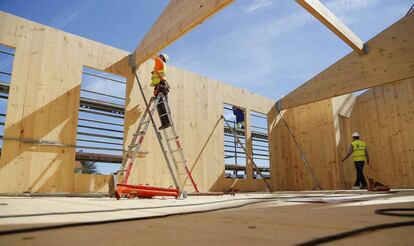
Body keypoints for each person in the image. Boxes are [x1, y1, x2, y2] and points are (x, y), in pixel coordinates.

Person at [151, 53, 171, 130]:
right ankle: (164, 123)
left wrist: (150, 53)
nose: (158, 56)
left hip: (162, 85)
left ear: (162, 58)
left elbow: (154, 57)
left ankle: (168, 121)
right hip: (158, 86)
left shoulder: (161, 62)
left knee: (163, 104)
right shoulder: (158, 65)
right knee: (159, 106)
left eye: (160, 55)